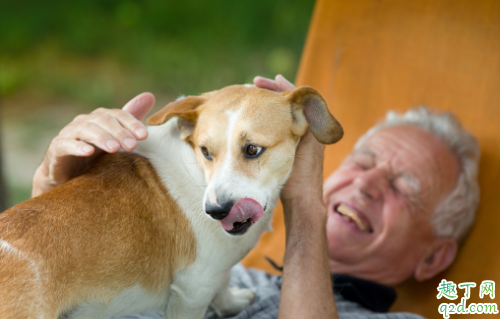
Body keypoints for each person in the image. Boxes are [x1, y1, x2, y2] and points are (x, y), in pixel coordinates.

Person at [32, 75, 480, 319]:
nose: (366, 184)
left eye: (403, 187)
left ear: (433, 258)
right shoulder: (227, 262)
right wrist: (56, 191)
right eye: (362, 162)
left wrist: (306, 207)